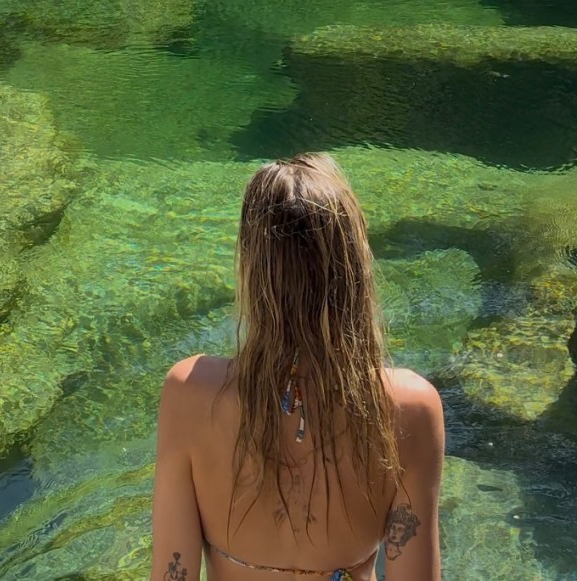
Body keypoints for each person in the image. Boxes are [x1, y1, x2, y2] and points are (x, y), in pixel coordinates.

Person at [150, 154, 444, 580]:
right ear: (354, 271)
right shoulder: (410, 408)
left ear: (253, 269)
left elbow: (171, 576)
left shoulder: (190, 394)